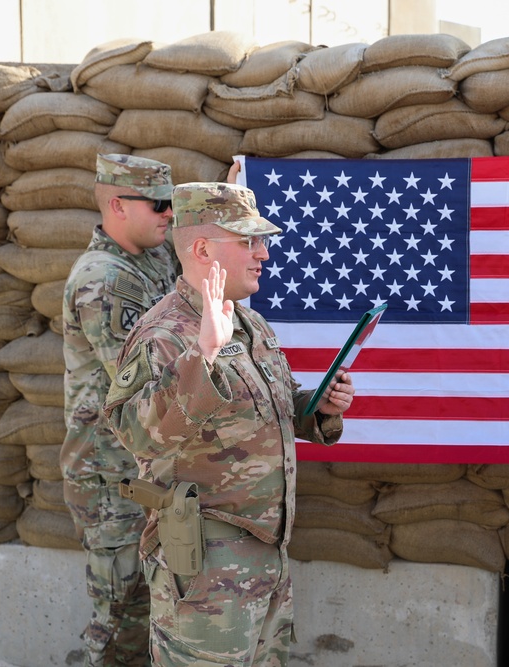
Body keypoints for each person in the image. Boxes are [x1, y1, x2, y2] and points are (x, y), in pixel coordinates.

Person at [101, 181, 355, 667]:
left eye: (262, 241)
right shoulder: (164, 334)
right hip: (204, 568)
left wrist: (316, 408)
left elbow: (264, 409)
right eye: (247, 241)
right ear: (200, 249)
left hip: (267, 554)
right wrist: (204, 354)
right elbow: (136, 435)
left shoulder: (249, 323)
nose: (263, 254)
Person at [61, 153, 178, 666]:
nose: (169, 214)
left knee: (151, 613)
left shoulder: (153, 257)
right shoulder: (103, 279)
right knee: (117, 613)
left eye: (173, 204)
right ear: (117, 205)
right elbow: (141, 382)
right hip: (110, 473)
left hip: (146, 467)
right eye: (158, 204)